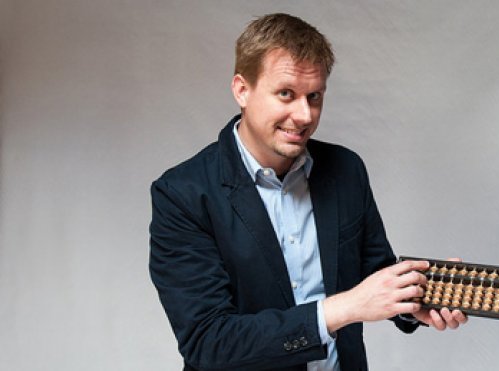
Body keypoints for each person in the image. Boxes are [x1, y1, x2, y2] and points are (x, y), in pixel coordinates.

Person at [149, 13, 467, 371]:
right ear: (242, 89)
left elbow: (373, 273)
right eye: (286, 94)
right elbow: (209, 341)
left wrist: (414, 303)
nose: (304, 115)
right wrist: (341, 309)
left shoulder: (346, 170)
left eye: (314, 96)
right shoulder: (182, 194)